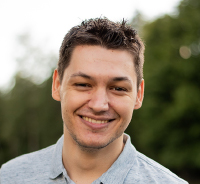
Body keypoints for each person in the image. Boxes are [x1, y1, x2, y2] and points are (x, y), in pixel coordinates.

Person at [0, 18, 188, 184]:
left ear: (139, 95)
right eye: (83, 84)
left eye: (118, 88)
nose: (99, 105)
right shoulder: (8, 177)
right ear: (57, 85)